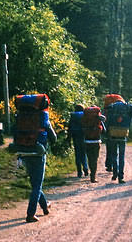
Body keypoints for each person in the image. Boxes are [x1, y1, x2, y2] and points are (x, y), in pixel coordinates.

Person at [11, 93, 57, 223]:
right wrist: (52, 141)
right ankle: (30, 214)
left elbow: (13, 130)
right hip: (38, 151)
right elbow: (53, 137)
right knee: (37, 184)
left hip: (23, 150)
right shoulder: (43, 116)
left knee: (35, 182)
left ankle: (45, 206)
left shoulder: (20, 115)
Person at [104, 97, 132, 184]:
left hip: (113, 134)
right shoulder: (127, 107)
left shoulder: (112, 107)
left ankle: (115, 173)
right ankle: (121, 176)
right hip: (123, 135)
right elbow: (131, 120)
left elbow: (107, 121)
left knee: (114, 155)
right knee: (121, 156)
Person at [82, 105, 107, 183]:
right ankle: (93, 177)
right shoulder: (99, 118)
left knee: (90, 158)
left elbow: (82, 127)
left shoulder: (85, 117)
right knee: (95, 159)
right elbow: (104, 131)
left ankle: (91, 174)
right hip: (96, 141)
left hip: (87, 141)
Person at [67, 104, 88, 178]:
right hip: (84, 136)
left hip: (75, 137)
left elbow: (69, 128)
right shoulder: (85, 115)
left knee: (77, 154)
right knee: (84, 153)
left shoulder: (73, 116)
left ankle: (79, 172)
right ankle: (85, 169)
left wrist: (68, 139)